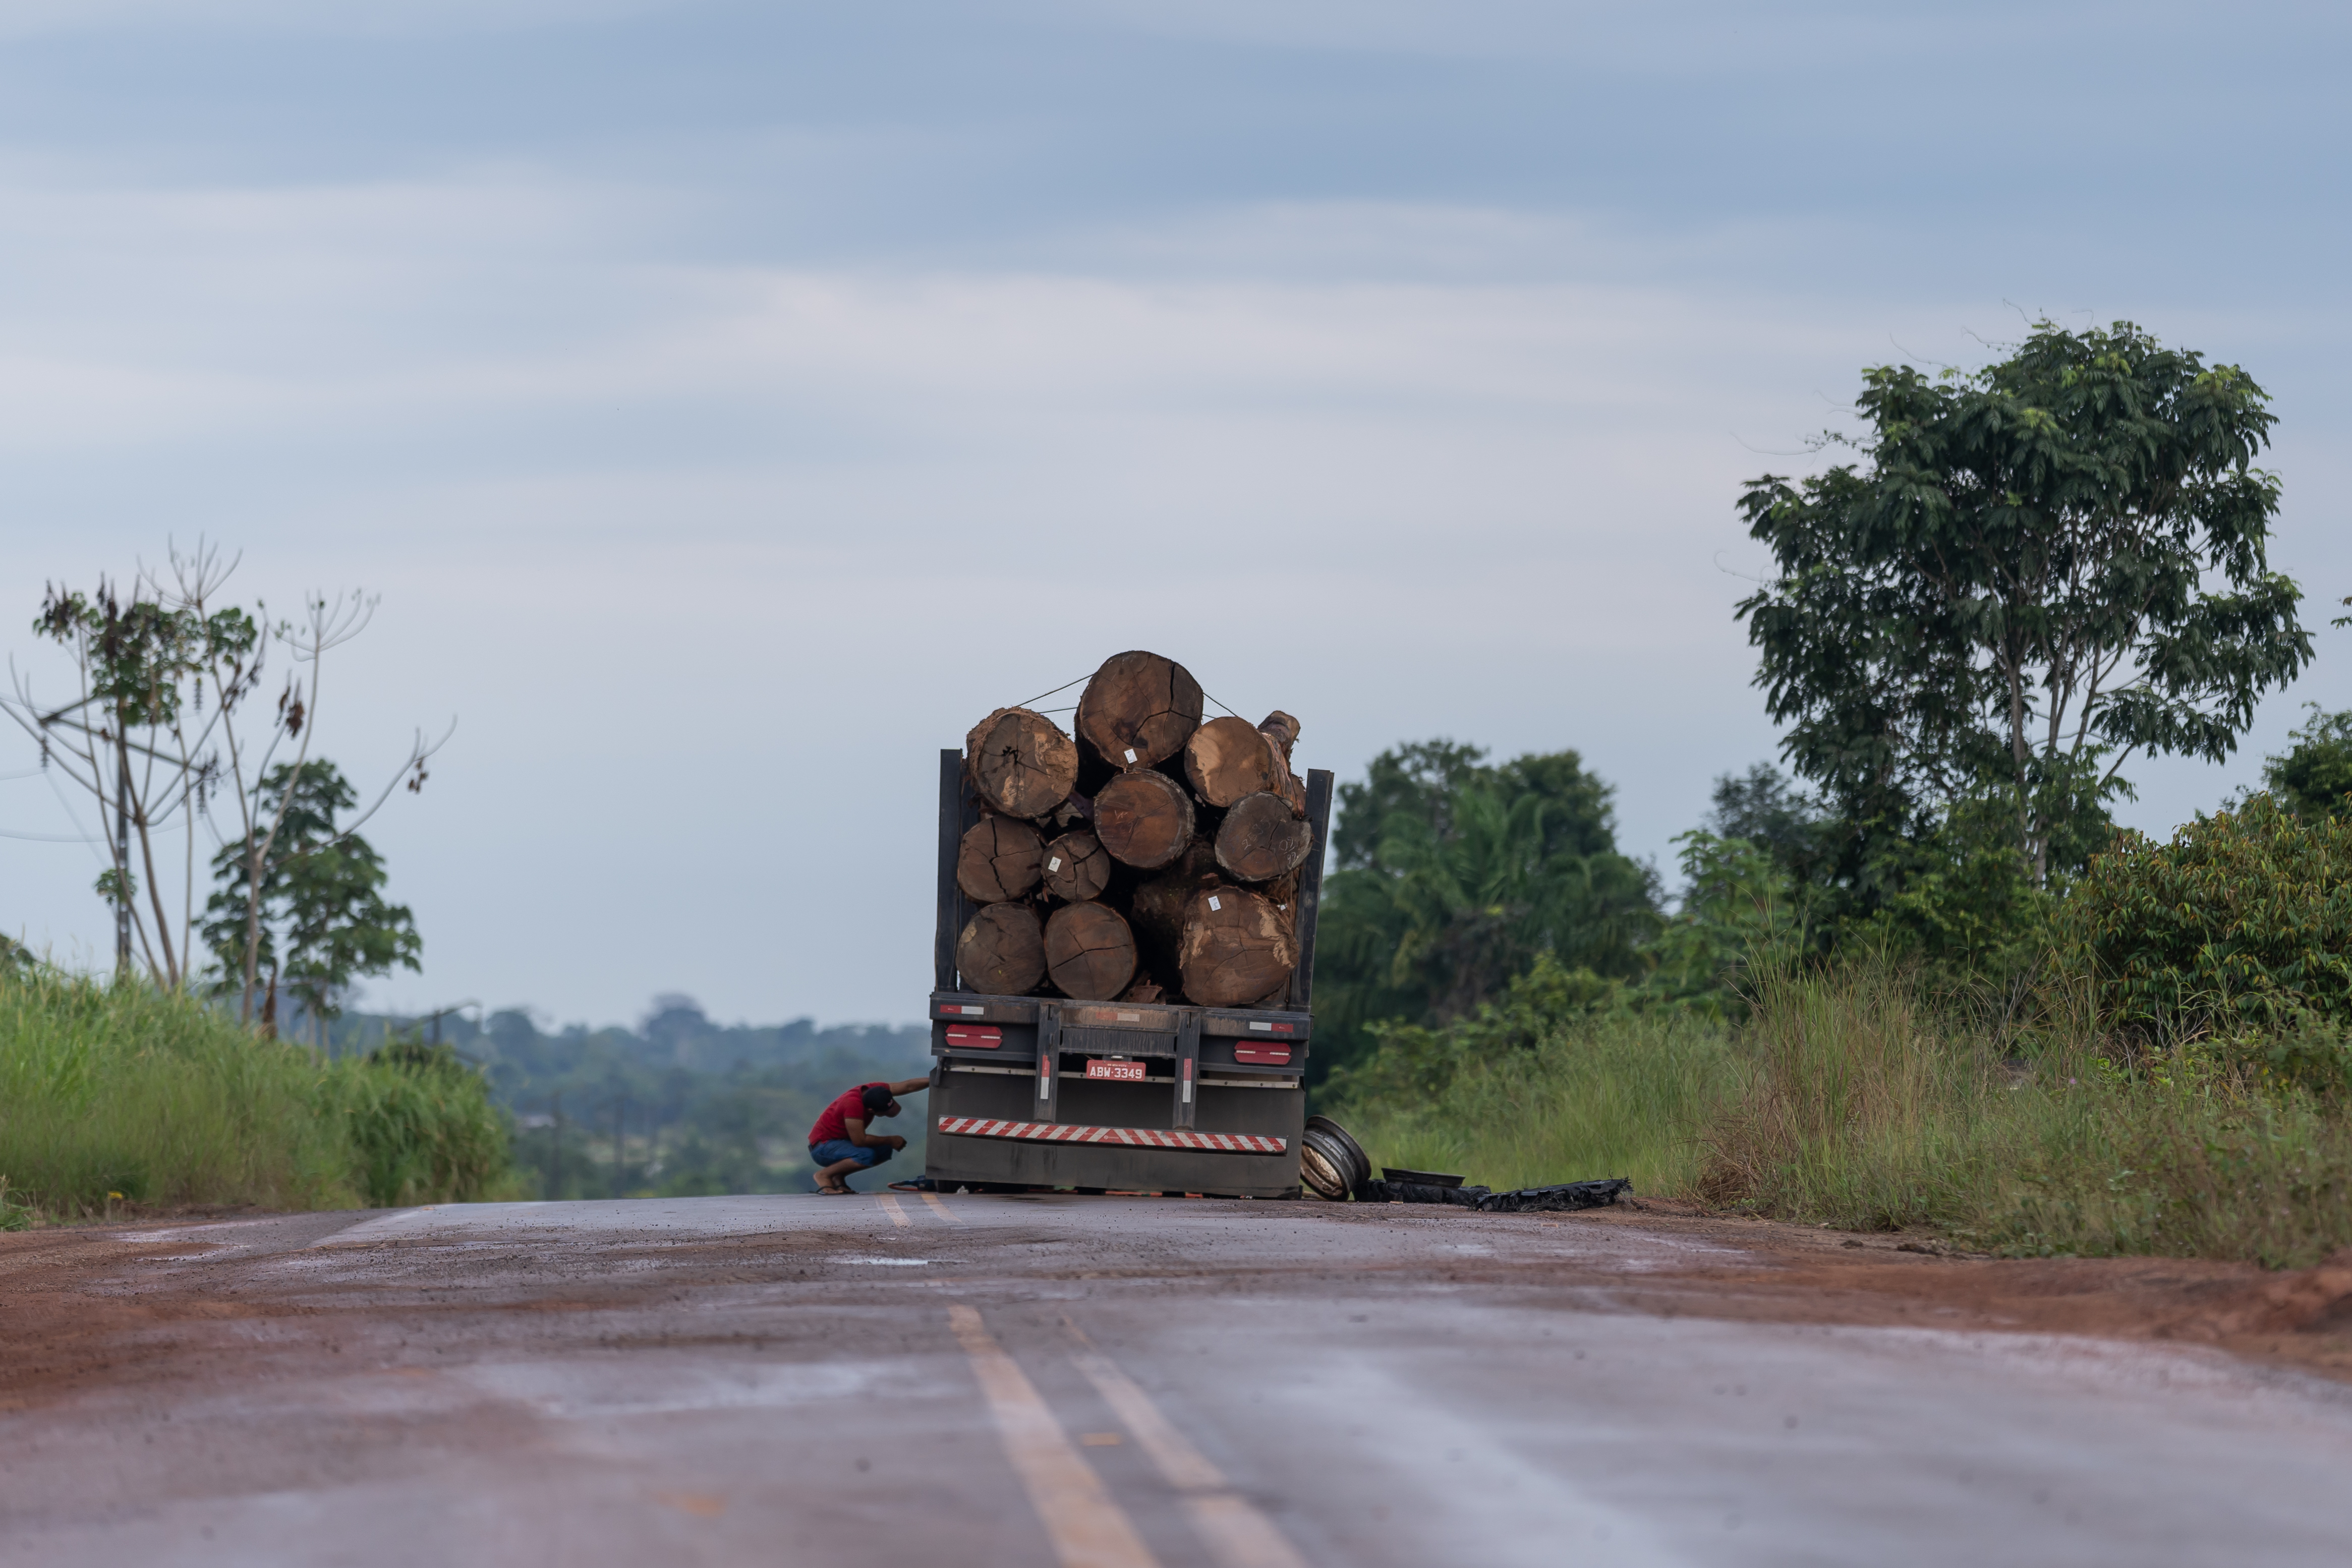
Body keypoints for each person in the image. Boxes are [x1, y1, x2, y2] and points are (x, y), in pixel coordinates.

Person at [808, 1076, 931, 1193]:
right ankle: (824, 1175)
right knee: (866, 1155)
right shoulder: (853, 1105)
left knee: (884, 1151)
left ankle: (838, 1176)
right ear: (871, 1111)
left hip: (841, 1143)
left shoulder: (876, 1090)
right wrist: (891, 1140)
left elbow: (907, 1086)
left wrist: (934, 1081)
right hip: (823, 1148)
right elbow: (859, 1141)